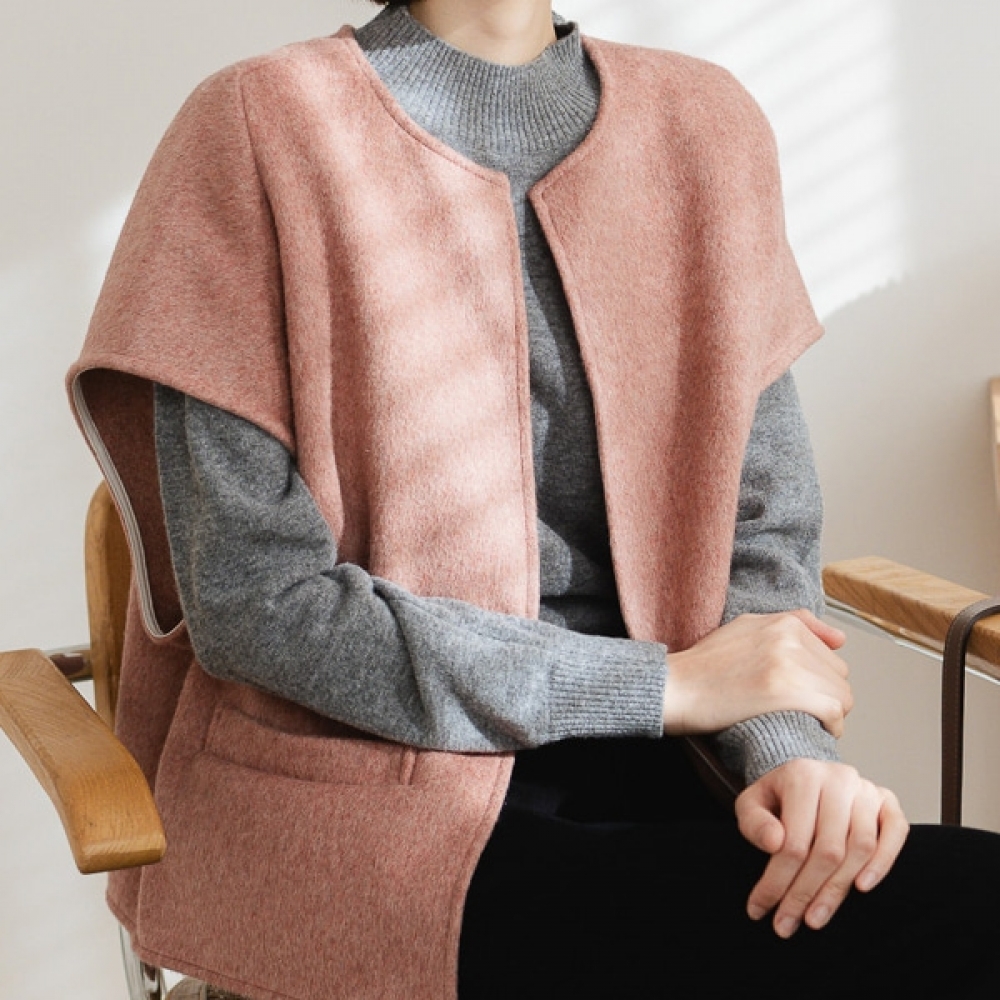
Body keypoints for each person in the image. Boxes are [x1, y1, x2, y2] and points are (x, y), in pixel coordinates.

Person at [69, 0, 1000, 997]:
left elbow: (759, 531)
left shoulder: (705, 124)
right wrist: (664, 686)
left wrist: (787, 754)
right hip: (372, 798)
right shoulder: (259, 125)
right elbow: (257, 604)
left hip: (680, 773)